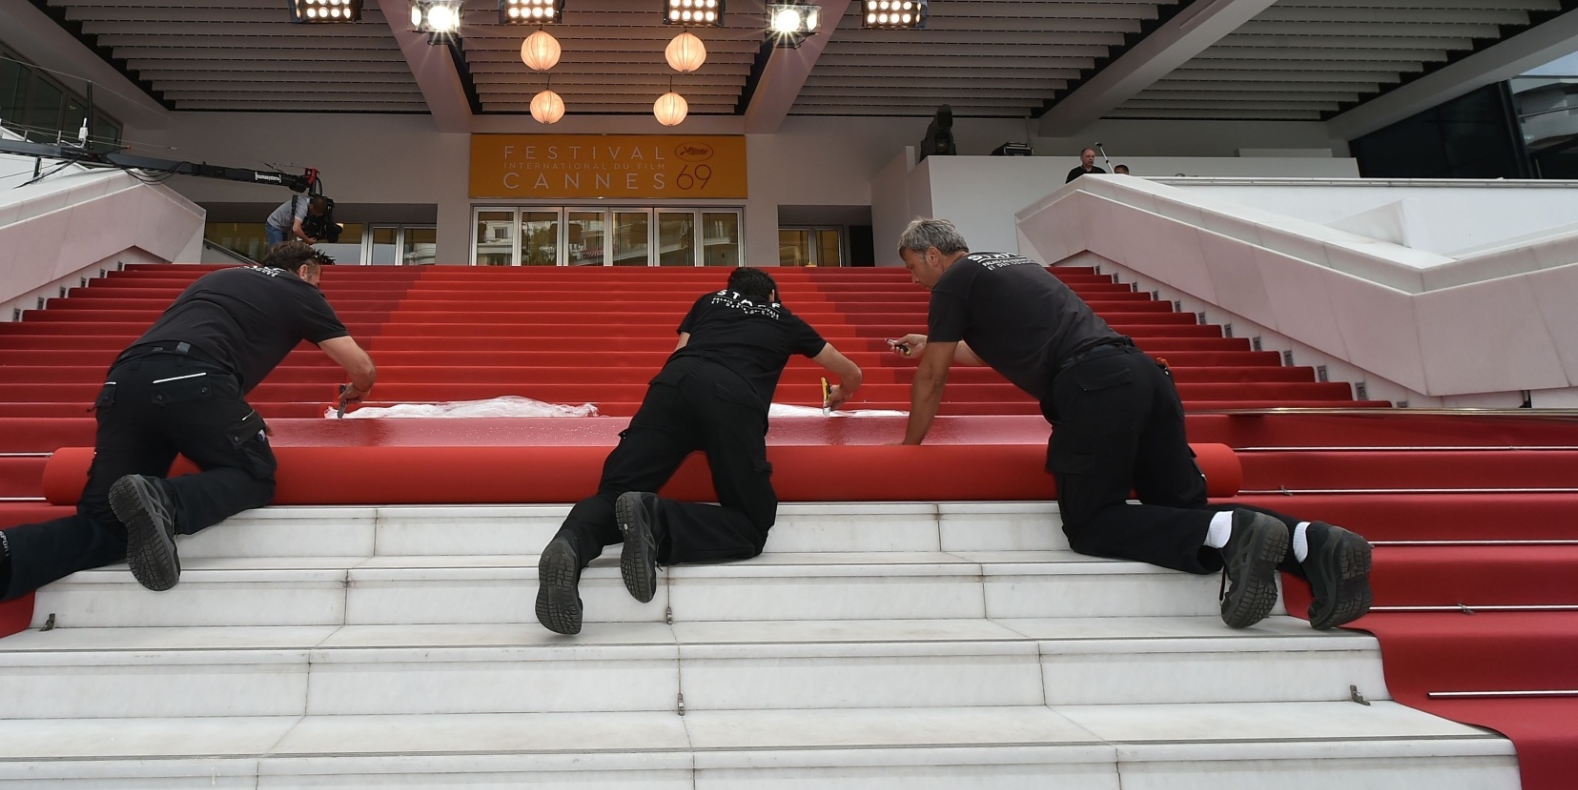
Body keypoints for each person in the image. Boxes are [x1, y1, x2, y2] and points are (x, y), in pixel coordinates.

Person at [889, 218, 1371, 632]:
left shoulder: (953, 282)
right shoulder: (1011, 264)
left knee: (1092, 522)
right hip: (1142, 374)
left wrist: (908, 450)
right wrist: (931, 342)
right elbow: (1003, 348)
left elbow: (933, 376)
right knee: (1179, 510)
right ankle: (1314, 542)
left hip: (1093, 387)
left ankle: (1234, 529)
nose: (913, 280)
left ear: (933, 255)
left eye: (912, 267)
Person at [0, 243, 377, 638]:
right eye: (318, 280)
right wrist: (357, 390)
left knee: (109, 521)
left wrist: (231, 410)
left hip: (124, 380)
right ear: (305, 271)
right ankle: (165, 500)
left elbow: (197, 340)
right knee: (254, 475)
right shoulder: (298, 290)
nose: (318, 288)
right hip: (196, 378)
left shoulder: (217, 279)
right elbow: (361, 367)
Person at [535, 266, 863, 635]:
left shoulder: (708, 302)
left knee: (613, 493)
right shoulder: (783, 317)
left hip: (673, 385)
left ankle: (571, 542)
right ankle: (655, 519)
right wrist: (844, 391)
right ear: (771, 295)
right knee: (752, 524)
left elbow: (681, 351)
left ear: (731, 289)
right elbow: (849, 370)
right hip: (732, 397)